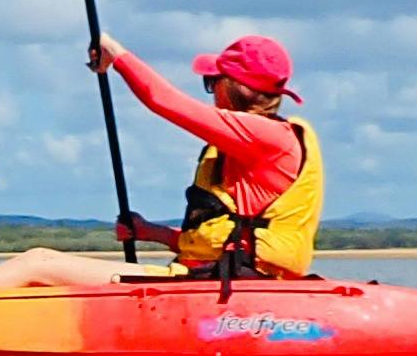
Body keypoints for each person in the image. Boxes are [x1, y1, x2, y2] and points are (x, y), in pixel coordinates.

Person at [97, 32, 321, 276]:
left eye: (212, 82)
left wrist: (115, 54)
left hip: (233, 280)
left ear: (230, 87)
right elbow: (221, 239)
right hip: (212, 274)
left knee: (47, 265)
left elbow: (164, 100)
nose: (213, 92)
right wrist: (149, 231)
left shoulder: (268, 137)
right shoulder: (248, 143)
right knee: (46, 260)